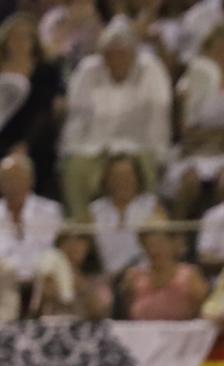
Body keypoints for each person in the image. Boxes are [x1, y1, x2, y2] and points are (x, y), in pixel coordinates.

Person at [58, 22, 173, 221]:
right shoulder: (87, 70)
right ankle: (82, 231)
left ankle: (148, 227)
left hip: (138, 147)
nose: (117, 61)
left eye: (123, 55)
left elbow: (158, 119)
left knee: (147, 166)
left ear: (133, 54)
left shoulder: (152, 69)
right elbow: (76, 119)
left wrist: (160, 156)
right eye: (111, 55)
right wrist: (69, 151)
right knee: (74, 168)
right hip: (94, 147)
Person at [0, 14, 63, 205]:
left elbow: (45, 111)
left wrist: (26, 143)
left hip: (33, 138)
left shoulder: (46, 70)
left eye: (25, 37)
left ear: (34, 42)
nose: (19, 43)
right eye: (14, 37)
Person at [166, 25, 224, 218]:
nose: (222, 54)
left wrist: (216, 138)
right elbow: (185, 129)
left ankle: (218, 232)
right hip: (194, 151)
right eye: (217, 49)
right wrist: (215, 137)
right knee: (191, 181)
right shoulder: (190, 82)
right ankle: (176, 233)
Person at [0, 153, 63, 285]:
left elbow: (58, 251)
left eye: (17, 178)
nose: (13, 184)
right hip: (1, 283)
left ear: (30, 180)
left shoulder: (51, 212)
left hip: (43, 282)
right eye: (7, 179)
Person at [120, 219, 207, 320]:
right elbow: (128, 315)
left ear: (173, 244)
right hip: (143, 332)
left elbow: (204, 311)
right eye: (149, 244)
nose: (154, 249)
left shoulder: (190, 275)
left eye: (160, 243)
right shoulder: (134, 276)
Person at [88, 154, 158, 277]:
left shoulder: (152, 206)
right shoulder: (95, 210)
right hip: (108, 280)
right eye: (116, 176)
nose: (122, 181)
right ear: (106, 179)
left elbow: (163, 247)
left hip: (147, 277)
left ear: (138, 178)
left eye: (128, 176)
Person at [30, 229, 112, 319]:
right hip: (53, 324)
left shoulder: (98, 277)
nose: (72, 246)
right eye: (67, 240)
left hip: (85, 327)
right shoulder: (48, 271)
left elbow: (99, 310)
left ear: (88, 247)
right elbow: (36, 310)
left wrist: (82, 286)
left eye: (79, 241)